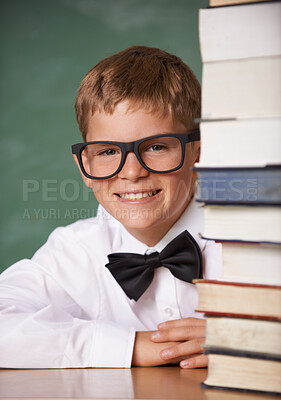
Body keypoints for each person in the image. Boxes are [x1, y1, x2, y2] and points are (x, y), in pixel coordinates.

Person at [0, 46, 222, 369]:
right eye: (107, 152)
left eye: (157, 147)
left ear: (199, 153)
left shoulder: (252, 239)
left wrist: (249, 338)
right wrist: (130, 347)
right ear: (83, 166)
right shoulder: (75, 252)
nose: (132, 172)